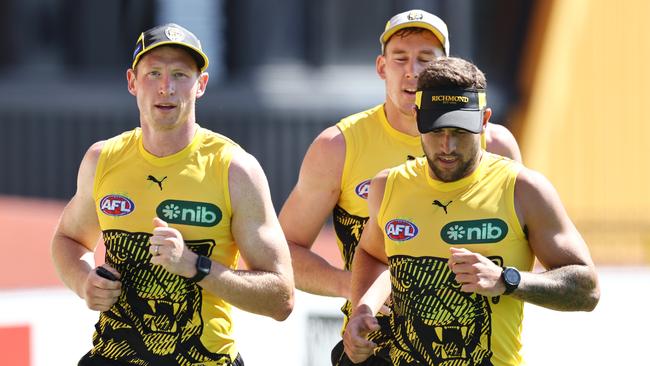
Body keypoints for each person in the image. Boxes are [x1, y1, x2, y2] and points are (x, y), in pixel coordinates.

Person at [278, 9, 521, 365]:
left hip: (470, 349)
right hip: (375, 348)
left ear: (445, 67)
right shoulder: (339, 146)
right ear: (381, 67)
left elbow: (533, 245)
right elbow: (284, 251)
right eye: (400, 59)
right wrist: (354, 287)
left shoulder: (493, 144)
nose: (413, 71)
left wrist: (507, 279)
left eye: (426, 59)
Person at [51, 23, 294, 366]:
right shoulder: (102, 159)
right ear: (132, 82)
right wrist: (83, 282)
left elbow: (281, 298)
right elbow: (68, 238)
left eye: (180, 74)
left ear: (201, 86)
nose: (166, 87)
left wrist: (196, 266)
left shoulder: (234, 169)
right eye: (154, 73)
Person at [343, 57, 600, 365]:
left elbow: (587, 288)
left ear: (484, 119)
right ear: (418, 117)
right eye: (436, 131)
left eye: (460, 131)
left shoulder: (522, 189)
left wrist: (508, 280)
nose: (447, 146)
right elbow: (373, 254)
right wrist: (363, 310)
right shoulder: (389, 185)